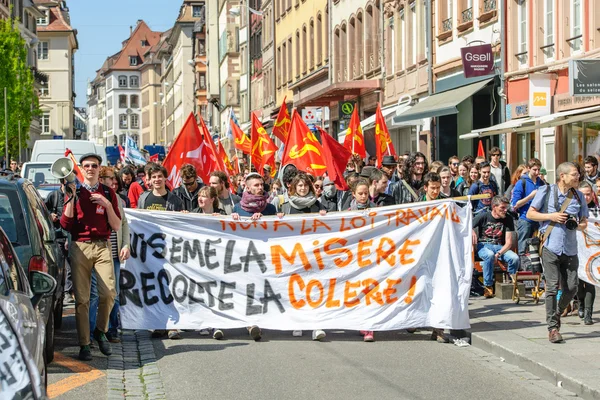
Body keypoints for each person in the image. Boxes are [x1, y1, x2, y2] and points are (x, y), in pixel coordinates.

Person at [60, 153, 121, 361]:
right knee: (83, 300)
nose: (90, 169)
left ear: (99, 168)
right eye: (86, 166)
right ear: (82, 168)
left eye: (94, 165)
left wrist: (107, 205)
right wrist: (71, 197)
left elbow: (116, 225)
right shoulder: (74, 190)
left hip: (103, 245)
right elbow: (65, 224)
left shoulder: (107, 192)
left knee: (109, 293)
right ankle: (84, 344)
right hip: (80, 246)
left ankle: (101, 331)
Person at [526, 162, 589, 343]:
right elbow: (530, 214)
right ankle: (553, 328)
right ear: (563, 176)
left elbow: (584, 222)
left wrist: (577, 224)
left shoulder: (579, 196)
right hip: (550, 246)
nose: (578, 177)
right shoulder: (545, 191)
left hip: (570, 248)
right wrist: (551, 217)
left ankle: (557, 311)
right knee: (552, 287)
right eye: (575, 175)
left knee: (572, 287)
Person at [277, 173, 326, 341]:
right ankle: (297, 323)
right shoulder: (285, 206)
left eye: (305, 185)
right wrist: (279, 219)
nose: (303, 188)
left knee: (314, 289)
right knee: (296, 289)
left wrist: (325, 216)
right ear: (293, 188)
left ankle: (315, 325)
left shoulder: (317, 205)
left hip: (313, 254)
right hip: (294, 255)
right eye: (299, 186)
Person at [89, 167, 130, 343]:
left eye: (113, 179)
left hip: (113, 253)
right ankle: (91, 332)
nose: (111, 182)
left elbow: (124, 223)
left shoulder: (117, 199)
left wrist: (126, 244)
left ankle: (112, 329)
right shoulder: (92, 197)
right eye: (107, 178)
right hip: (96, 252)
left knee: (113, 293)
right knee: (94, 295)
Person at [472, 196, 520, 298]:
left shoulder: (508, 219)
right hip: (483, 245)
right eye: (502, 208)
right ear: (494, 207)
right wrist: (472, 231)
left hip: (499, 247)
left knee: (514, 258)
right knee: (489, 255)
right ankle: (488, 286)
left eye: (506, 207)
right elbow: (466, 225)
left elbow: (509, 242)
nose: (505, 210)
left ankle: (512, 282)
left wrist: (498, 254)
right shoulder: (483, 216)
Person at [511, 158, 546, 255]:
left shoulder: (541, 183)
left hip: (539, 219)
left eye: (539, 170)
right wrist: (531, 196)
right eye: (534, 170)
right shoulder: (521, 183)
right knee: (523, 247)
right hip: (525, 219)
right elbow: (515, 205)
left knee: (537, 247)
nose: (537, 172)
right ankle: (522, 265)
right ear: (528, 168)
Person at [577, 181, 597, 325]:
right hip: (577, 249)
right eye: (583, 194)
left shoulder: (597, 209)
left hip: (593, 250)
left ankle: (588, 314)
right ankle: (581, 304)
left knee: (591, 281)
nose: (586, 197)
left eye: (588, 194)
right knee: (577, 282)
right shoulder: (573, 208)